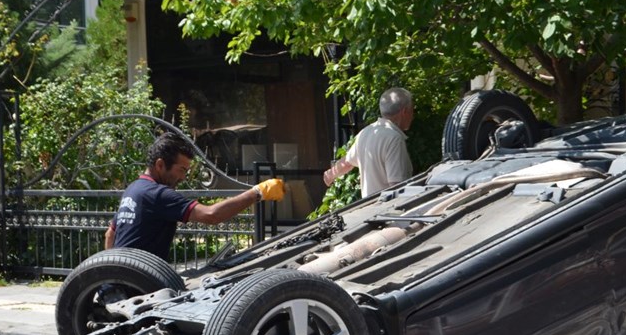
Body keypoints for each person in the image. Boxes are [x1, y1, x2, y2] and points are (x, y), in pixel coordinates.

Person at [105, 132, 285, 261]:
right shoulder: (157, 194)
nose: (183, 177)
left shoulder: (133, 190)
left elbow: (110, 234)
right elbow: (211, 215)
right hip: (136, 290)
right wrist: (258, 192)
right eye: (181, 170)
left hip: (118, 283)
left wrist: (112, 273)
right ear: (160, 165)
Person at [323, 87, 414, 197]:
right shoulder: (394, 138)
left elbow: (347, 163)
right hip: (388, 211)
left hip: (369, 210)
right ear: (405, 111)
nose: (413, 115)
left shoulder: (366, 133)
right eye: (412, 110)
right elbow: (397, 187)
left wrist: (331, 174)